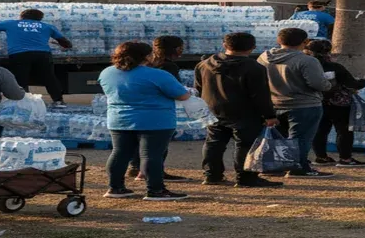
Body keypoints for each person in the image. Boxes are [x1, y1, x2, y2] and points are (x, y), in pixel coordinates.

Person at [98, 41, 191, 201]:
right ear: (147, 56)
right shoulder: (158, 75)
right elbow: (182, 95)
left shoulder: (107, 73)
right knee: (151, 155)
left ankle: (115, 187)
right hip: (155, 121)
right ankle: (155, 190)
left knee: (119, 153)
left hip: (119, 119)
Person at [196, 32, 282, 188]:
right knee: (245, 145)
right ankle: (246, 178)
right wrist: (269, 115)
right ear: (252, 47)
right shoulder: (254, 67)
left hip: (213, 109)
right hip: (245, 111)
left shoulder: (205, 64)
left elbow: (199, 87)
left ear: (225, 45)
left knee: (213, 143)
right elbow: (260, 95)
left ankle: (211, 175)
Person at [257, 28, 334, 178]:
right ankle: (299, 167)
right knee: (300, 139)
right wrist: (329, 83)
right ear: (305, 42)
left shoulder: (264, 58)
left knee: (279, 139)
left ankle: (277, 166)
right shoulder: (307, 60)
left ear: (279, 41)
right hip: (304, 104)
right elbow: (318, 84)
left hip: (274, 103)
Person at [0, 9, 73, 107]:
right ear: (40, 18)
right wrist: (61, 44)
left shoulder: (11, 23)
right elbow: (67, 44)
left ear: (21, 16)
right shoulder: (47, 26)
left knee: (21, 79)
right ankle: (58, 101)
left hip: (19, 54)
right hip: (43, 54)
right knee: (49, 78)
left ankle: (24, 103)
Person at [128, 35, 188, 183]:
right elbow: (173, 89)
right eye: (181, 48)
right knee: (158, 145)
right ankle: (154, 174)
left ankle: (135, 167)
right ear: (175, 49)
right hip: (158, 110)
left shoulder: (145, 64)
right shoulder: (168, 66)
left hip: (137, 108)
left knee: (139, 141)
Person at [303, 39, 365, 168]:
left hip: (315, 102)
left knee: (320, 130)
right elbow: (352, 84)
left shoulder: (306, 65)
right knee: (343, 131)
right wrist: (364, 81)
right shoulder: (334, 67)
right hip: (338, 104)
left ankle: (321, 157)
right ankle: (345, 158)